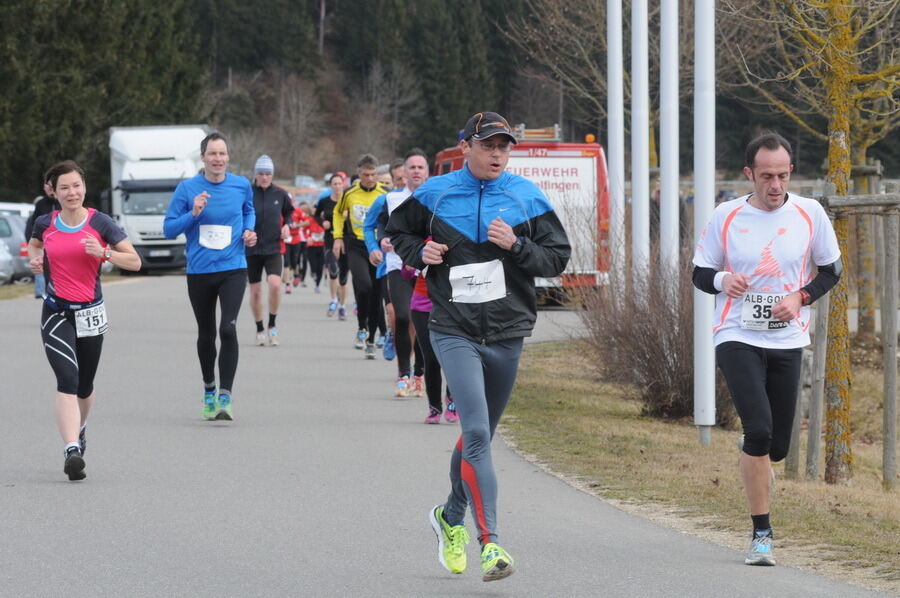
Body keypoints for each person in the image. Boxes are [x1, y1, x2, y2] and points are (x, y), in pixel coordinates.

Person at [387, 112, 571, 581]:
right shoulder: (435, 193)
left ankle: (449, 517)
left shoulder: (526, 197)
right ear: (466, 146)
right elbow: (399, 233)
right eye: (488, 145)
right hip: (453, 328)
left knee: (481, 435)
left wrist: (515, 247)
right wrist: (419, 253)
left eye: (504, 147)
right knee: (474, 433)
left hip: (507, 331)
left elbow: (556, 258)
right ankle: (491, 544)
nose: (497, 154)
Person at [692, 132, 841, 567]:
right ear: (749, 175)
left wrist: (801, 297)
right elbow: (700, 272)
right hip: (736, 333)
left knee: (776, 448)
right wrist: (724, 281)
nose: (775, 185)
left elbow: (831, 270)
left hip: (788, 337)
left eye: (782, 175)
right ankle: (761, 534)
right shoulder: (726, 215)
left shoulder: (810, 214)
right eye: (766, 176)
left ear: (790, 172)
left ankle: (756, 453)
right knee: (758, 432)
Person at [28, 160, 142, 480]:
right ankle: (71, 449)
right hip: (56, 312)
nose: (71, 192)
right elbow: (35, 248)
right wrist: (35, 262)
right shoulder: (44, 223)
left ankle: (80, 428)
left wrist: (105, 254)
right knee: (67, 379)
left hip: (91, 312)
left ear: (84, 187)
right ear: (54, 192)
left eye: (76, 185)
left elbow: (134, 261)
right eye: (64, 187)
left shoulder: (101, 223)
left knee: (85, 386)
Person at [164, 132, 257, 421]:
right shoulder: (188, 188)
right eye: (212, 154)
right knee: (206, 334)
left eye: (222, 154)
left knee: (228, 328)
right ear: (203, 157)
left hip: (233, 267)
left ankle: (225, 396)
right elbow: (169, 229)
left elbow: (248, 211)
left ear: (228, 157)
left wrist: (249, 231)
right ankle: (208, 389)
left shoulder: (241, 185)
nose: (218, 159)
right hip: (200, 272)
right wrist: (193, 213)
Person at [364, 148, 430, 399]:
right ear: (404, 172)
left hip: (426, 267)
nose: (415, 171)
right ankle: (403, 375)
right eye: (411, 167)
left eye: (420, 167)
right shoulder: (390, 199)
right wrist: (381, 242)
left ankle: (420, 376)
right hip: (397, 266)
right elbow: (379, 226)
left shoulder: (437, 197)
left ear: (427, 172)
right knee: (402, 316)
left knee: (423, 322)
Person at [333, 153, 389, 358]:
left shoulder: (384, 193)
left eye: (373, 174)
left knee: (376, 293)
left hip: (378, 247)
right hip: (356, 245)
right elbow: (338, 213)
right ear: (359, 174)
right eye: (366, 175)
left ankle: (370, 336)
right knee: (363, 285)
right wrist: (338, 237)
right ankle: (362, 326)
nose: (370, 179)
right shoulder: (350, 193)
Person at [246, 155, 293, 346]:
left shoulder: (280, 194)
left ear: (272, 175)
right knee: (256, 292)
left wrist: (287, 225)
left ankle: (272, 325)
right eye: (261, 173)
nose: (264, 177)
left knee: (275, 284)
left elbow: (289, 213)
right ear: (256, 175)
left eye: (267, 174)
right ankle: (259, 328)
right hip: (252, 249)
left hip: (274, 247)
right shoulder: (247, 193)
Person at [315, 173, 350, 319]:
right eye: (334, 184)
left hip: (346, 240)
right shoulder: (324, 201)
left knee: (343, 278)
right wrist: (322, 223)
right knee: (333, 270)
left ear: (343, 184)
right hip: (330, 239)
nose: (337, 186)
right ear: (331, 186)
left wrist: (349, 217)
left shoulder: (348, 199)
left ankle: (342, 306)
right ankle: (333, 300)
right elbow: (316, 215)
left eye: (339, 183)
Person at [25, 183, 60, 298]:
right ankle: (41, 292)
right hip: (43, 242)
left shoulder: (61, 201)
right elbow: (33, 223)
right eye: (47, 186)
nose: (49, 188)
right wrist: (32, 242)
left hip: (59, 242)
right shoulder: (41, 204)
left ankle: (57, 291)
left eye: (51, 186)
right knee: (40, 265)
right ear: (44, 188)